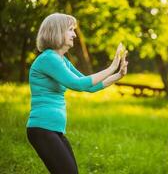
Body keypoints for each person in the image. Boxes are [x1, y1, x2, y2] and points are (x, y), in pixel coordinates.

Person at [26, 13, 128, 174]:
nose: (74, 34)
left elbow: (89, 86)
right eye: (70, 30)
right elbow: (78, 84)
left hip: (53, 129)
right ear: (57, 31)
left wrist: (118, 75)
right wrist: (111, 68)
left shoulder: (62, 60)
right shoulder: (48, 59)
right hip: (42, 128)